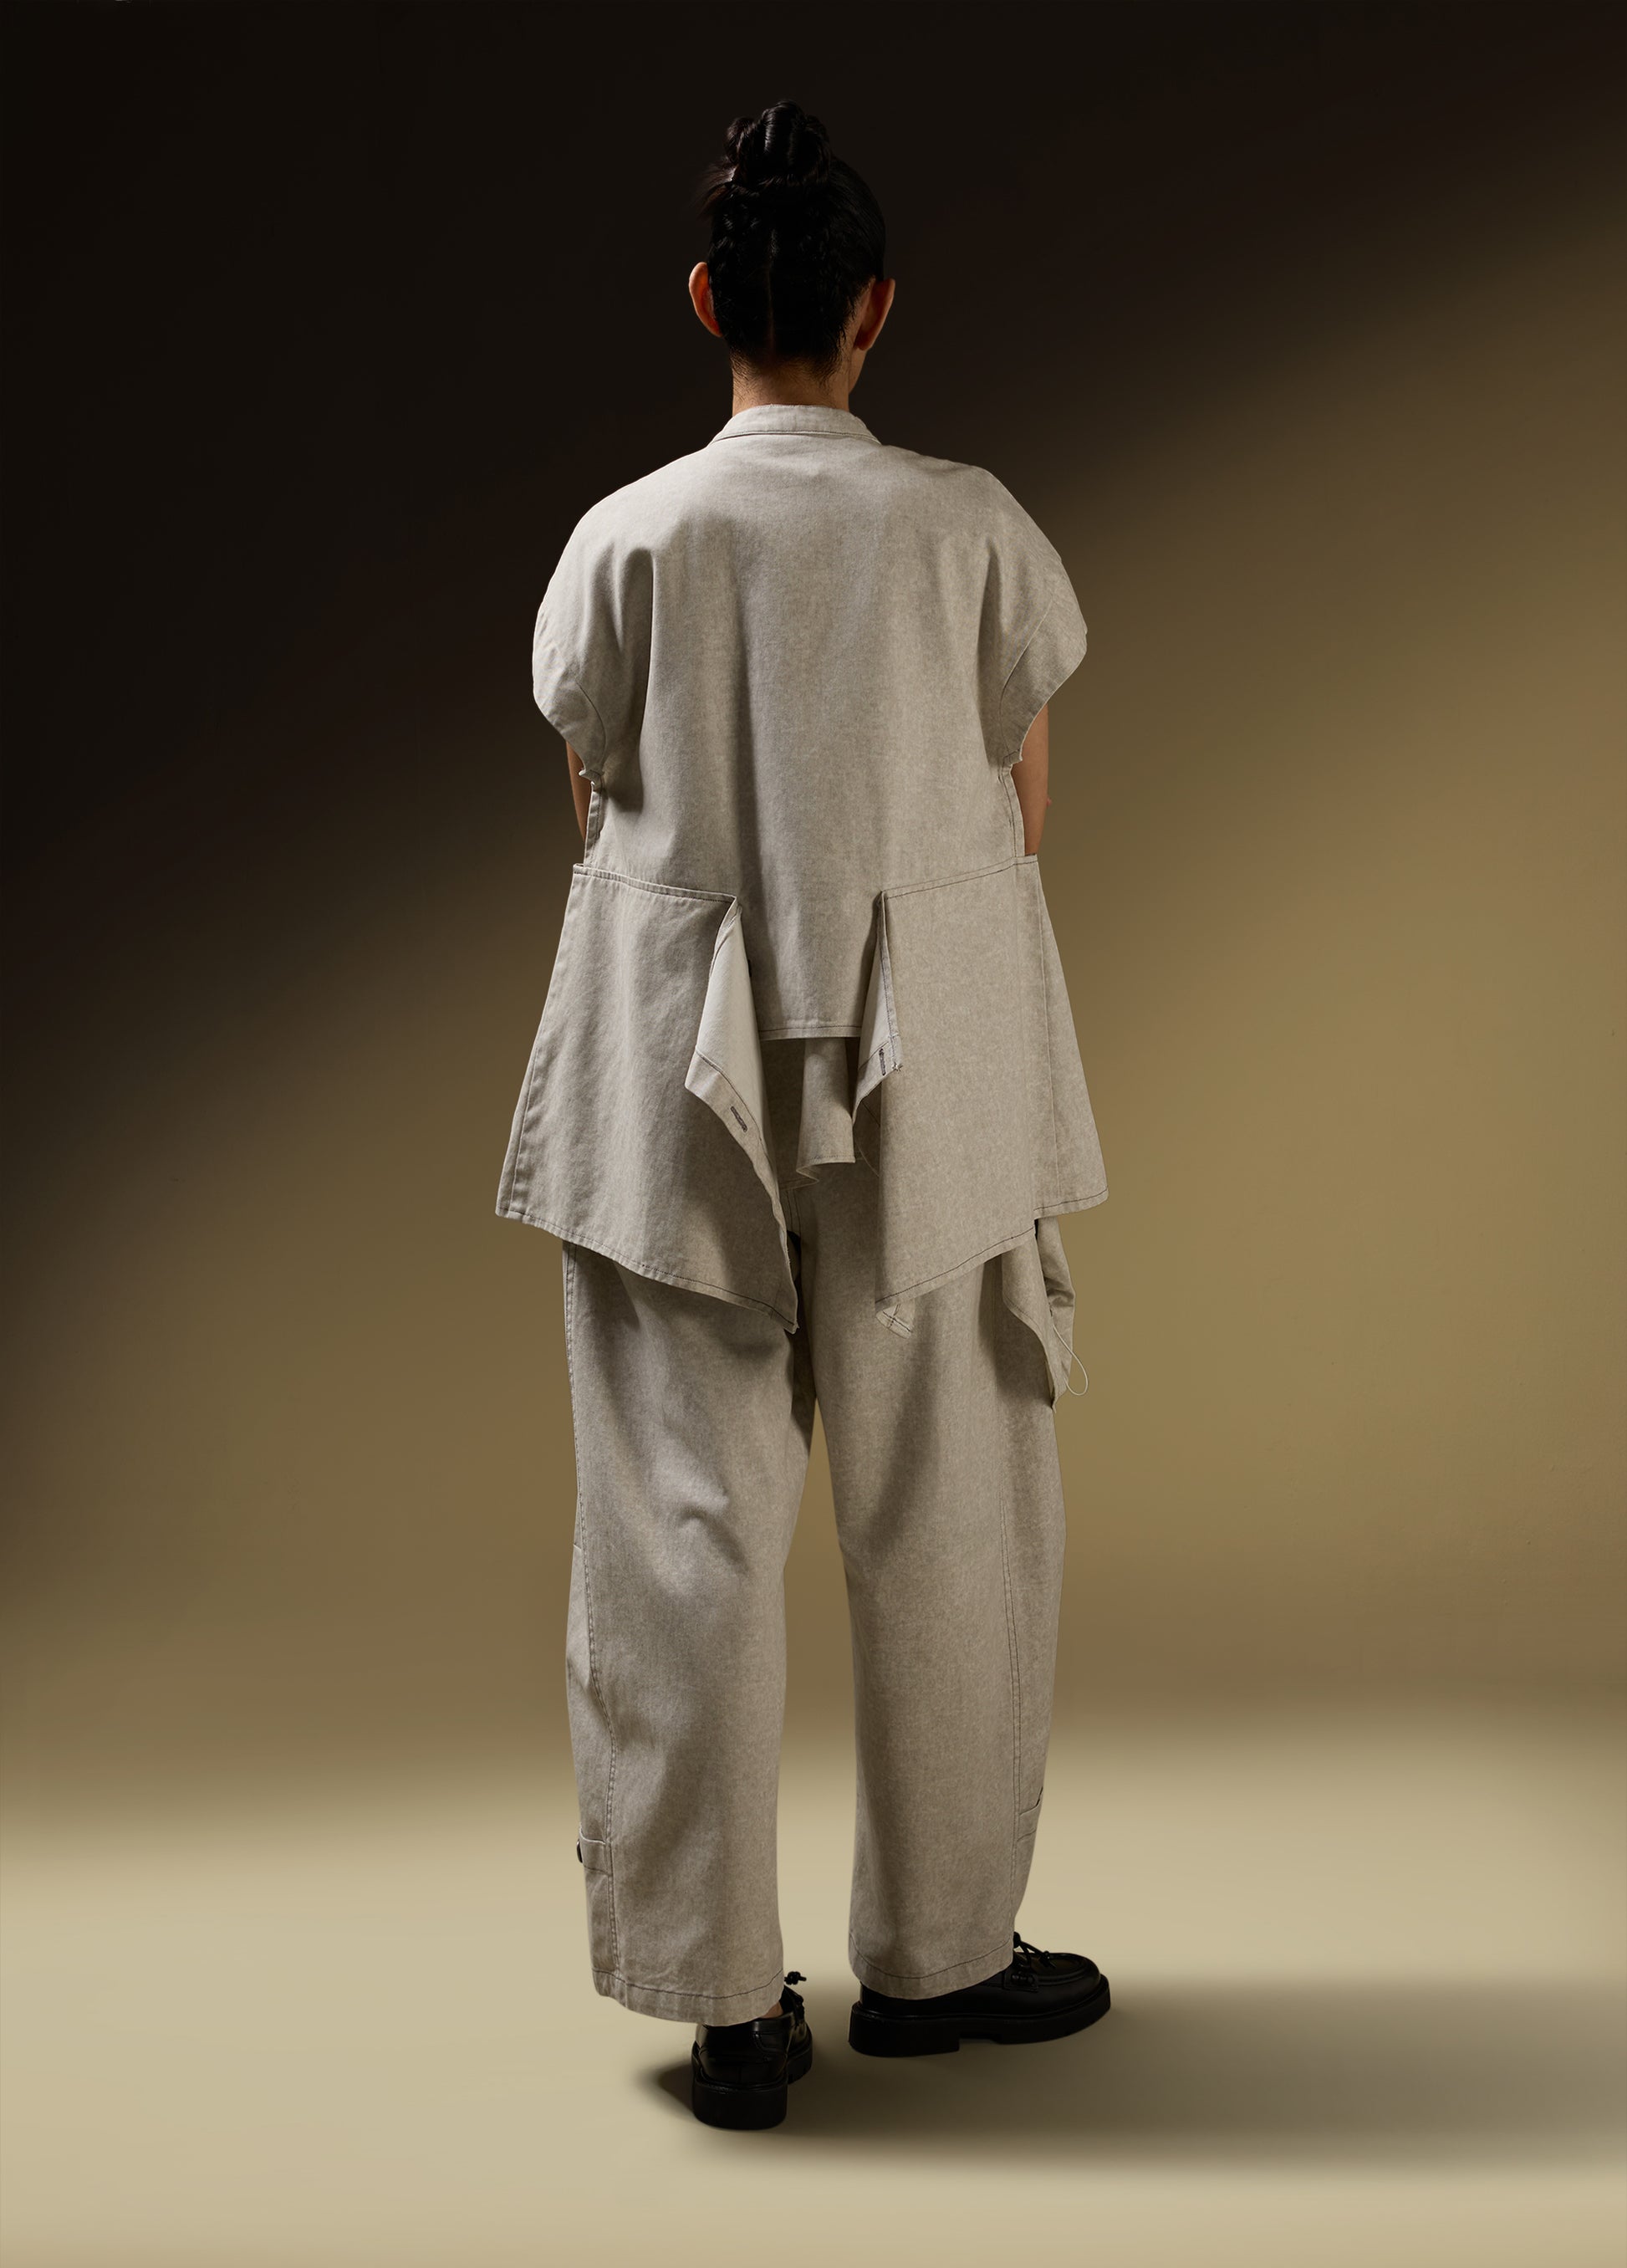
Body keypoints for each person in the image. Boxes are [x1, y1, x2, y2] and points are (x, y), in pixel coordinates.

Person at [496, 99, 1112, 2131]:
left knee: (678, 1518)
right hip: (930, 1043)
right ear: (875, 311)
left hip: (677, 1052)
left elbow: (593, 796)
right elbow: (1021, 802)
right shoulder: (968, 525)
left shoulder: (625, 539)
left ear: (707, 303)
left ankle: (722, 2003)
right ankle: (940, 1959)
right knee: (951, 1498)